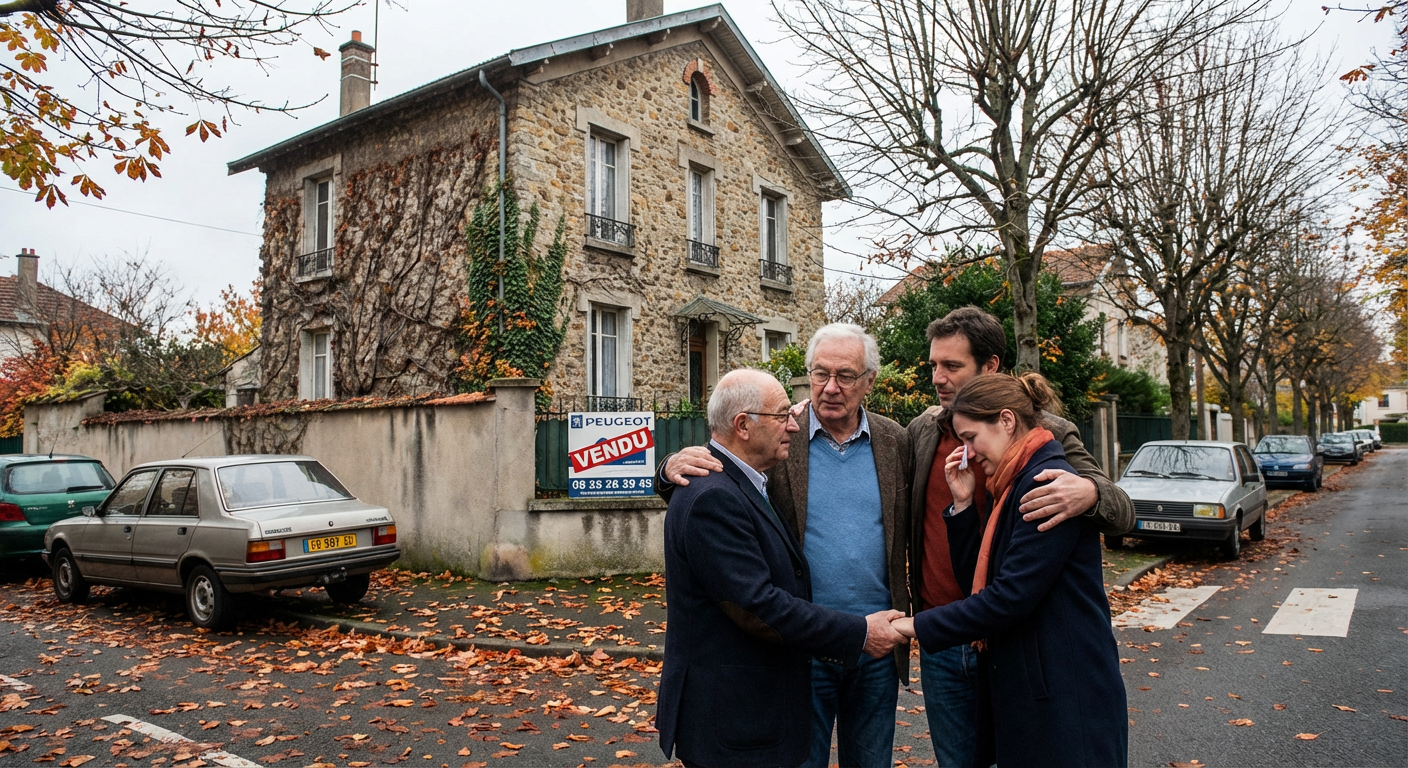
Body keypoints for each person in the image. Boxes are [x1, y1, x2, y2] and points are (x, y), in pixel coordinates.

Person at [660, 324, 913, 768]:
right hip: (798, 646)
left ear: (870, 381)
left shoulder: (896, 441)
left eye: (846, 376)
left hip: (877, 644)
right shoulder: (780, 434)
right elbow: (717, 490)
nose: (829, 388)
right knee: (797, 758)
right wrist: (668, 470)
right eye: (820, 373)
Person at [907, 307, 1133, 768]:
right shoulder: (921, 432)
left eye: (952, 366)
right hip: (957, 645)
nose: (938, 377)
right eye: (933, 365)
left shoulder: (1046, 451)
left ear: (989, 367)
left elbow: (1123, 512)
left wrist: (1089, 492)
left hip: (1019, 645)